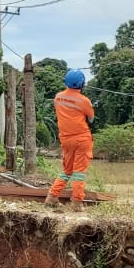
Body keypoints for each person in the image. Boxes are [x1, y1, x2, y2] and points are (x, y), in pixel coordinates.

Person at [44, 69, 94, 209]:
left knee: (67, 170)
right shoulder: (84, 100)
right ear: (81, 84)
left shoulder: (58, 97)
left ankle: (52, 197)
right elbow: (91, 117)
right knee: (79, 173)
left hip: (65, 139)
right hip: (81, 138)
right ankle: (77, 203)